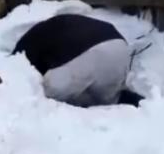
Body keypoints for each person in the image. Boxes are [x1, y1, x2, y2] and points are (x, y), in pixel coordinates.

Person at [13, 13, 144, 107]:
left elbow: (42, 87)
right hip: (118, 45)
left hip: (89, 50)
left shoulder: (23, 54)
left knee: (46, 95)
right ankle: (142, 106)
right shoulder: (47, 30)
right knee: (108, 100)